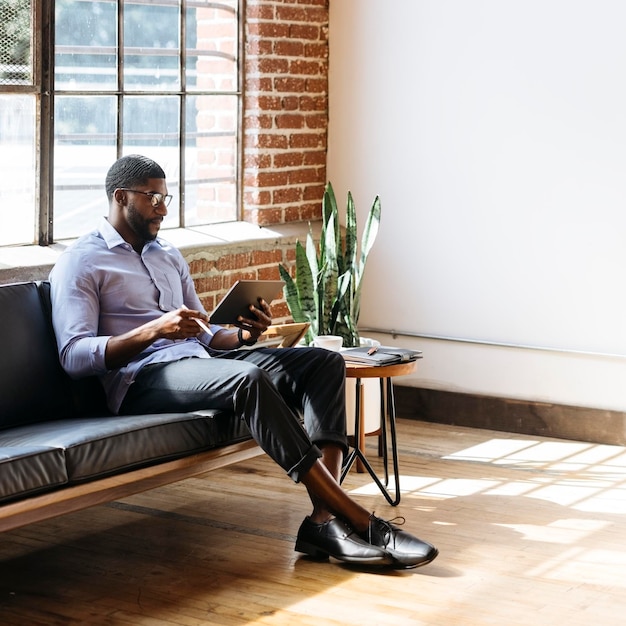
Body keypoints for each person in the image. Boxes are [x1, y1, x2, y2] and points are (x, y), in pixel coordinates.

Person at [49, 154, 438, 569]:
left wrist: (247, 333)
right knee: (246, 379)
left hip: (199, 364)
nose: (163, 208)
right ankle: (359, 519)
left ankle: (324, 520)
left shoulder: (167, 255)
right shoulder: (81, 261)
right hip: (139, 380)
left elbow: (209, 335)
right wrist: (154, 331)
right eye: (152, 198)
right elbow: (74, 356)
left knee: (322, 362)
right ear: (120, 196)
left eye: (167, 197)